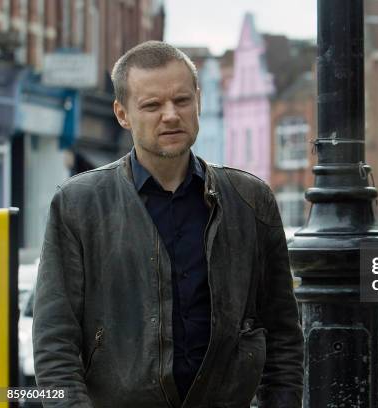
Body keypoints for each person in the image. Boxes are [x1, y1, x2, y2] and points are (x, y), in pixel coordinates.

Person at [33, 41, 304, 408]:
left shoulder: (249, 199)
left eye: (181, 101)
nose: (171, 115)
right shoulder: (79, 203)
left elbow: (283, 332)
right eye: (152, 105)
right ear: (122, 114)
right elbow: (55, 342)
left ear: (199, 101)